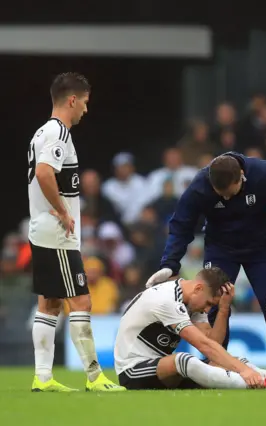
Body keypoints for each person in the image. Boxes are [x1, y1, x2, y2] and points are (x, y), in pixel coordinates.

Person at [146, 152, 266, 375]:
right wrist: (169, 263)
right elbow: (181, 224)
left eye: (230, 192)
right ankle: (214, 367)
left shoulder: (264, 174)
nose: (227, 199)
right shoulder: (201, 185)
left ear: (242, 177)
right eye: (221, 195)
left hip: (262, 250)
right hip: (221, 250)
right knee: (212, 306)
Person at [27, 72, 124, 392]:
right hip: (57, 233)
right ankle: (95, 377)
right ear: (71, 100)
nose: (85, 109)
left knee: (50, 303)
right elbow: (44, 173)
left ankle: (42, 378)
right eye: (83, 102)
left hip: (41, 229)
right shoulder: (58, 133)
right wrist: (64, 212)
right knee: (80, 301)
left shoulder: (41, 132)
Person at [116, 267, 266, 390]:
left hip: (161, 372)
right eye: (209, 304)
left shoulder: (191, 301)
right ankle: (265, 383)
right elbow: (204, 346)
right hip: (133, 370)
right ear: (197, 288)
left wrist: (224, 309)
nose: (207, 310)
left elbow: (213, 345)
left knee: (232, 361)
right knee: (183, 360)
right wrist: (244, 373)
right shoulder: (166, 300)